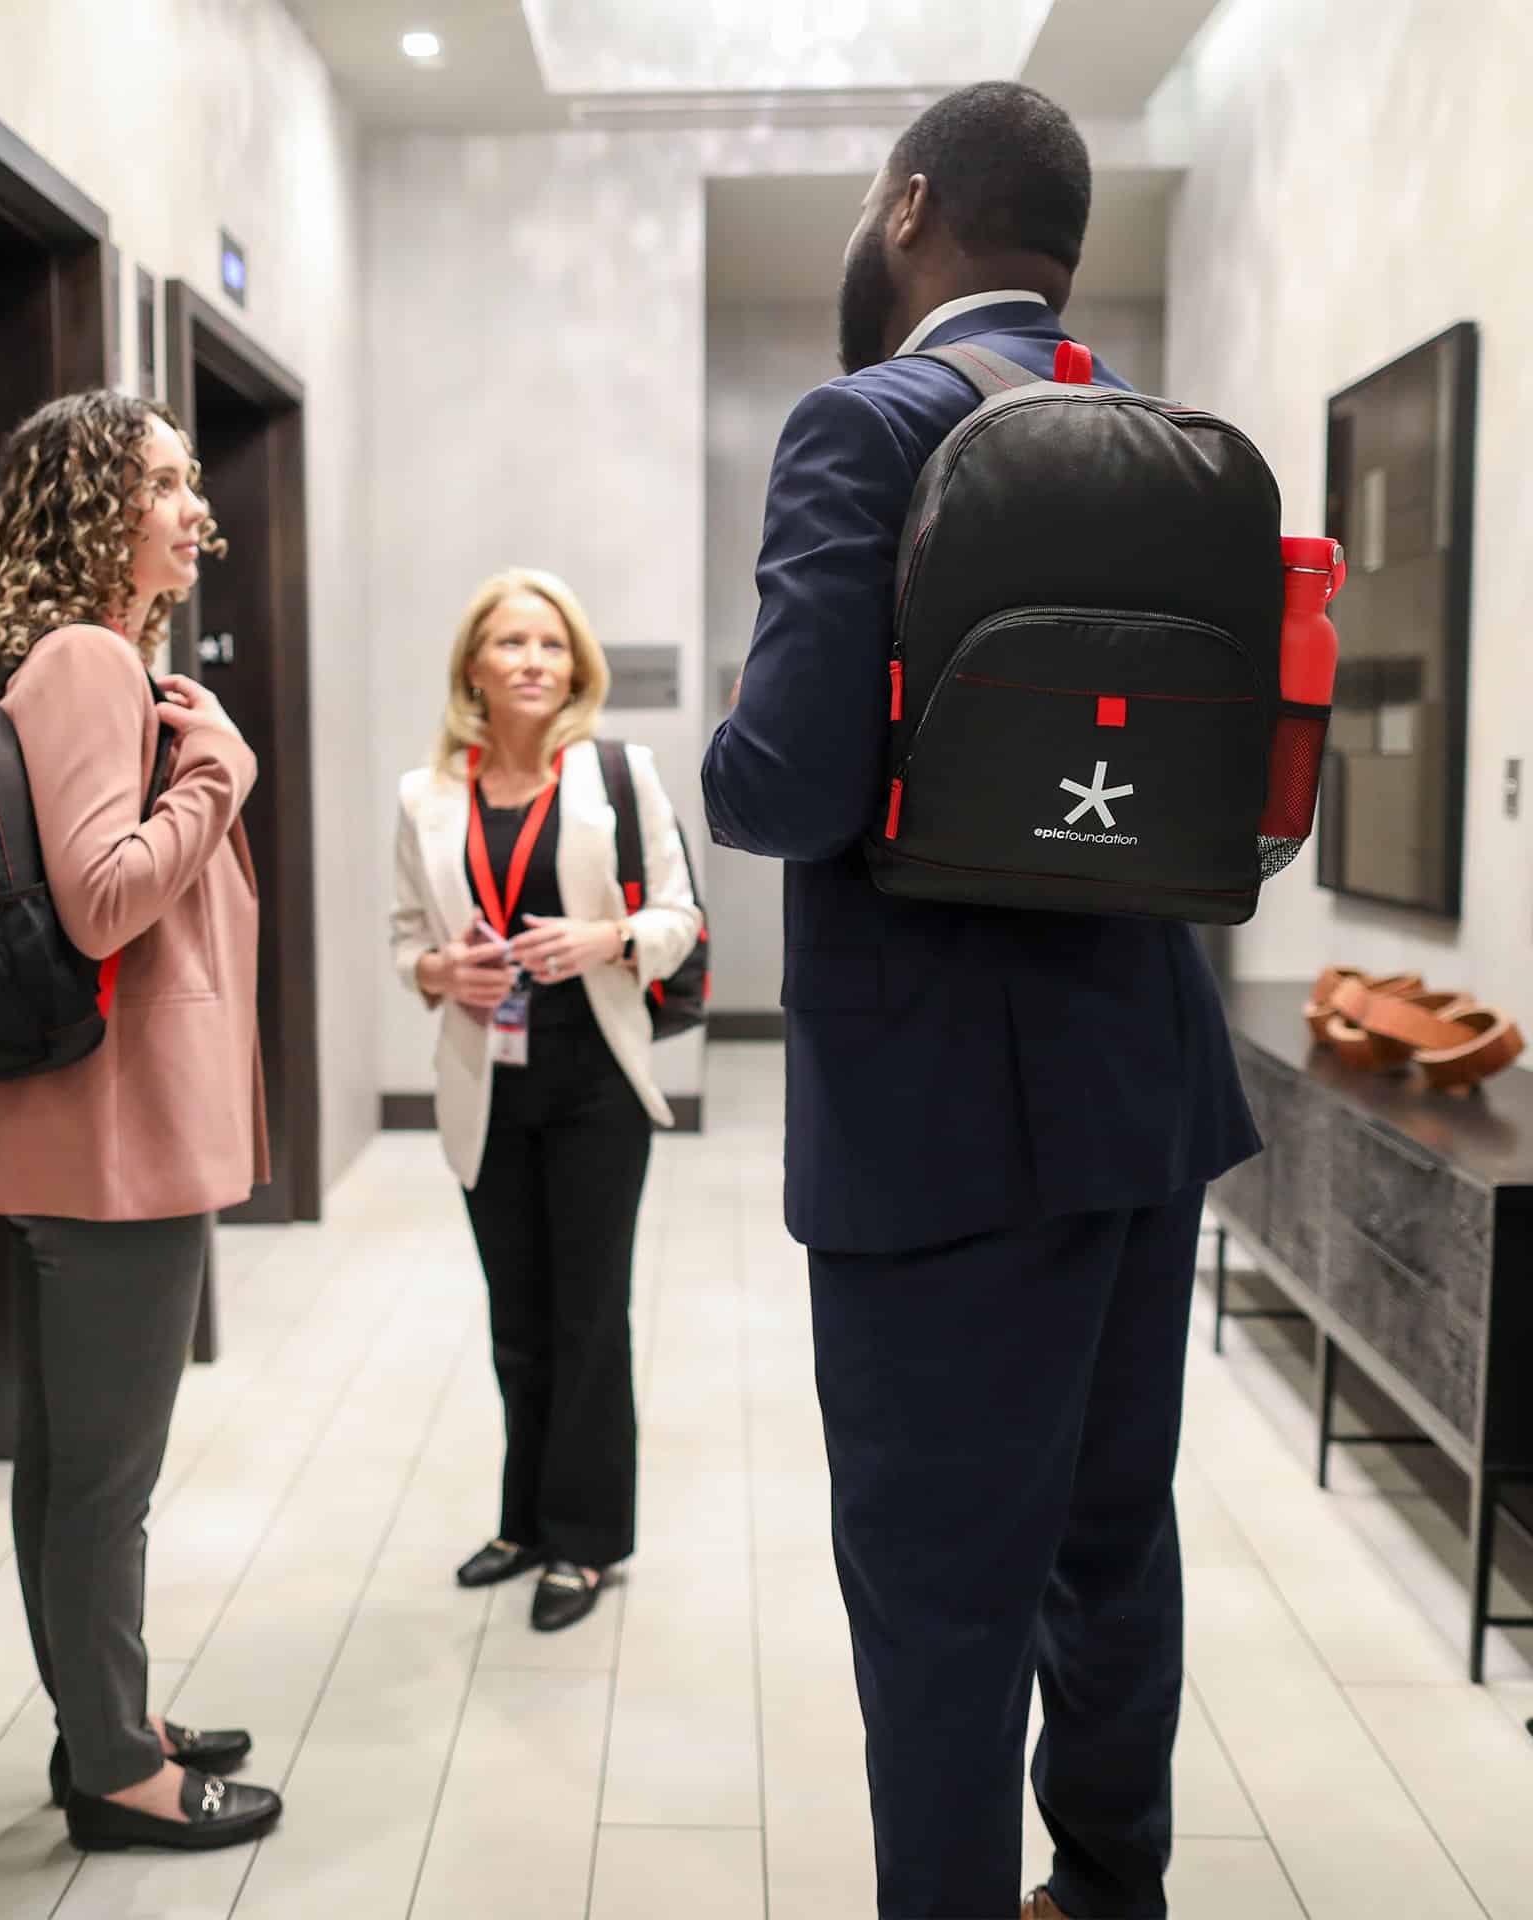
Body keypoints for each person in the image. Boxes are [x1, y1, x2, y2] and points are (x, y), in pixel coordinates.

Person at [701, 85, 1260, 1920]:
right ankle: (1105, 1891)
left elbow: (782, 786)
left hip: (938, 1122)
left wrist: (718, 751)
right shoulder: (1160, 441)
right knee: (1112, 1536)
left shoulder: (865, 424)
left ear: (913, 205)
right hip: (1145, 1083)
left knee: (943, 1585)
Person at [0, 391, 282, 1853]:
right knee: (106, 1480)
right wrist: (221, 777)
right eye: (162, 482)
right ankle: (118, 1775)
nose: (191, 506)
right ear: (95, 508)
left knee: (73, 1465)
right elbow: (102, 895)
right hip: (114, 1141)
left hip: (84, 1129)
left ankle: (106, 1721)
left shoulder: (52, 659)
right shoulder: (86, 660)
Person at [390, 568, 702, 1632]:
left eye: (552, 645)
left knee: (587, 1315)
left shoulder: (619, 773)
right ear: (473, 667)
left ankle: (587, 1540)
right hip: (486, 1081)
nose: (533, 662)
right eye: (511, 643)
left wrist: (604, 937)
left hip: (594, 1084)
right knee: (517, 1321)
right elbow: (403, 939)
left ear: (577, 667)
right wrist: (440, 973)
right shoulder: (427, 798)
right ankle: (524, 1522)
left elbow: (678, 919)